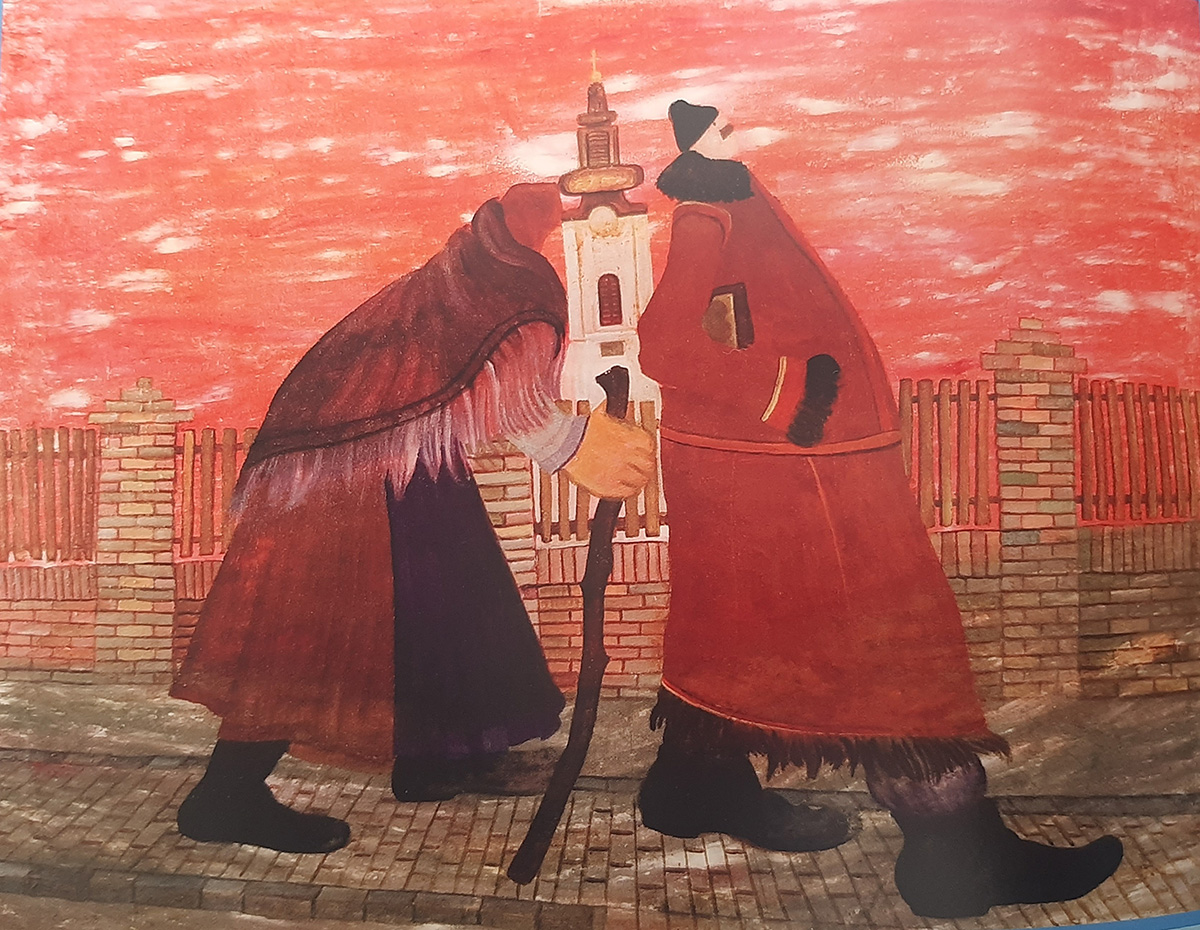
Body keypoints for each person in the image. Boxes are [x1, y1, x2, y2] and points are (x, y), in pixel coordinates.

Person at [634, 100, 1123, 918]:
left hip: (791, 476)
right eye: (723, 128)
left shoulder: (732, 202)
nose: (738, 135)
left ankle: (693, 786)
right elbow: (667, 344)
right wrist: (792, 397)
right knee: (893, 671)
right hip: (797, 483)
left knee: (738, 644)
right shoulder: (703, 214)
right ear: (700, 142)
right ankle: (955, 863)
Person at [171, 182, 655, 854]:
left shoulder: (453, 281)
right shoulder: (488, 288)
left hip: (403, 465)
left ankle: (438, 762)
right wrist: (573, 447)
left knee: (455, 596)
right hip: (336, 479)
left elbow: (471, 387)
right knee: (306, 633)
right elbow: (509, 394)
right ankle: (223, 798)